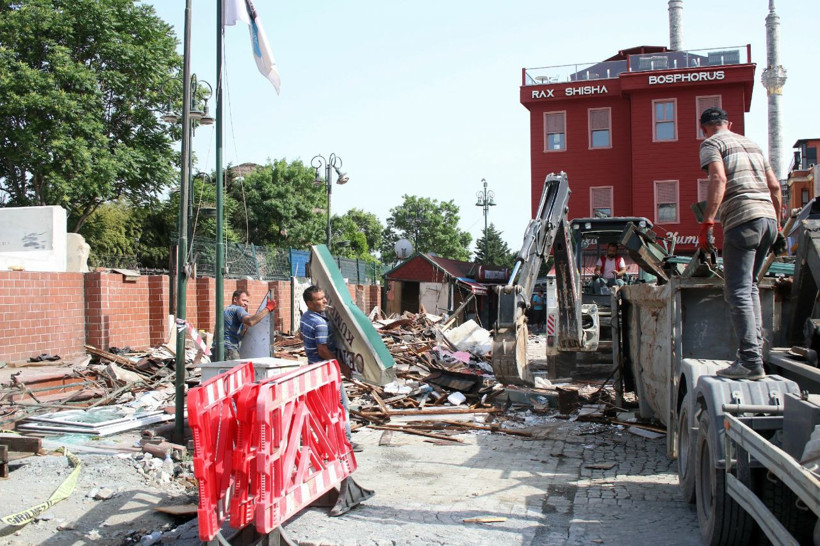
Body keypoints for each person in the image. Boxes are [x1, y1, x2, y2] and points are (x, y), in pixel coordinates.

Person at [698, 106, 785, 380]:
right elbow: (775, 187)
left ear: (703, 129)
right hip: (768, 219)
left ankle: (749, 361)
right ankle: (754, 356)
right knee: (750, 287)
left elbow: (718, 178)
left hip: (743, 219)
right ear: (729, 123)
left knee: (737, 292)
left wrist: (708, 222)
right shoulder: (752, 145)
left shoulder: (712, 144)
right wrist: (778, 225)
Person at [300, 285, 359, 451]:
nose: (325, 301)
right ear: (310, 304)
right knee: (341, 405)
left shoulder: (306, 317)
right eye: (319, 299)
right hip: (325, 371)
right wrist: (342, 367)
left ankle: (322, 440)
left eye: (323, 297)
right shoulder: (320, 323)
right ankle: (345, 442)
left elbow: (301, 335)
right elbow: (323, 350)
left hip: (313, 367)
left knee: (323, 408)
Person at [219, 289, 276, 361]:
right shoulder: (237, 309)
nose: (246, 304)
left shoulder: (225, 310)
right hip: (229, 350)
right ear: (235, 299)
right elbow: (251, 321)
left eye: (247, 301)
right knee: (235, 368)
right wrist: (268, 308)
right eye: (243, 300)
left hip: (217, 350)